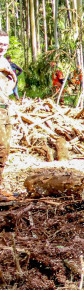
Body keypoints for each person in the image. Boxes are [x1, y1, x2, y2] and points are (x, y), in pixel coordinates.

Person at [0, 33, 16, 200]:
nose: (2, 47)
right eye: (0, 44)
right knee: (0, 146)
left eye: (5, 44)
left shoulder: (5, 61)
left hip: (5, 107)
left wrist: (13, 79)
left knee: (5, 150)